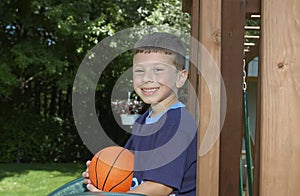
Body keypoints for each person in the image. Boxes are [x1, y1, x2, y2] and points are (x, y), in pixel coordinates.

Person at [82, 32, 198, 196]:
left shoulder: (177, 124)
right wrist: (100, 172)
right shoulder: (143, 122)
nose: (147, 78)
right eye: (139, 71)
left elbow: (160, 187)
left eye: (158, 70)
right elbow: (125, 165)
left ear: (180, 78)